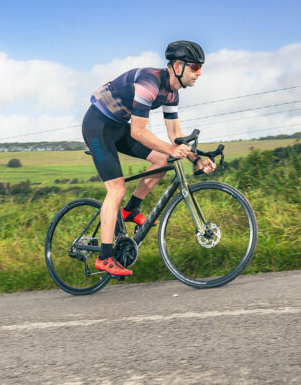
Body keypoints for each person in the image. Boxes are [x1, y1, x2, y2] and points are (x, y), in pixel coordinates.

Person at [82, 40, 216, 276]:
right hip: (98, 126)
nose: (199, 73)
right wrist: (171, 149)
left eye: (200, 68)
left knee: (163, 160)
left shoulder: (172, 94)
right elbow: (138, 132)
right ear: (177, 65)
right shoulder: (149, 83)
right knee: (116, 189)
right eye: (194, 67)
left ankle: (131, 210)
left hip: (119, 126)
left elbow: (176, 136)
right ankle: (104, 257)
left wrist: (196, 159)